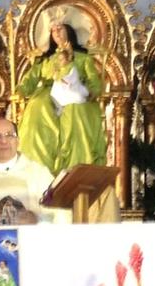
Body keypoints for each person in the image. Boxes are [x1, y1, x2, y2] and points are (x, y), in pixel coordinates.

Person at [16, 22, 106, 175]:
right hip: (48, 93)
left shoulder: (83, 58)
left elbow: (94, 81)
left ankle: (76, 167)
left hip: (74, 93)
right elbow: (30, 78)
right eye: (53, 30)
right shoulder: (45, 60)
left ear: (69, 31)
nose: (56, 33)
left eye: (60, 29)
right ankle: (39, 168)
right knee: (37, 107)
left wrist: (92, 91)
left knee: (75, 113)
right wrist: (21, 90)